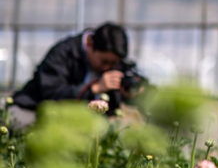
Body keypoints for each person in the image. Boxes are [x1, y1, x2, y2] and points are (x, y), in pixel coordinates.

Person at [12, 22, 145, 115]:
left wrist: (130, 94)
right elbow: (51, 92)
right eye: (104, 62)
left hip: (80, 120)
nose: (108, 67)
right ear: (89, 44)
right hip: (34, 108)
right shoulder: (63, 53)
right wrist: (95, 88)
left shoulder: (113, 62)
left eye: (114, 63)